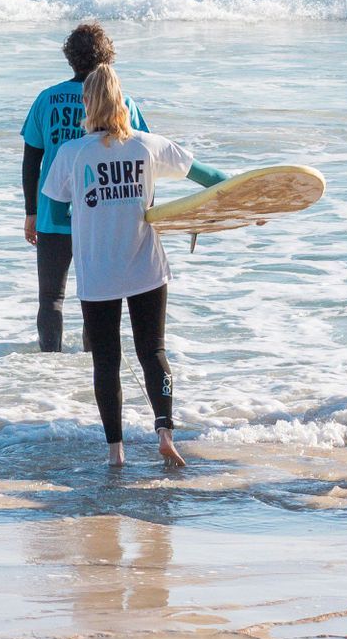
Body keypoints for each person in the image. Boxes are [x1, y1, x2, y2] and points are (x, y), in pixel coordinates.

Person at [41, 64, 225, 469]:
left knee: (106, 360)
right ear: (123, 102)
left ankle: (115, 452)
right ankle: (165, 433)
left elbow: (54, 209)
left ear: (87, 104)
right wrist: (249, 203)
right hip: (145, 265)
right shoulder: (147, 145)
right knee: (153, 351)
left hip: (98, 270)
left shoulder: (71, 154)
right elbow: (210, 177)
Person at [22, 21, 146, 351]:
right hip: (105, 210)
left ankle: (50, 364)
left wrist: (31, 212)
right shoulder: (123, 103)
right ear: (106, 58)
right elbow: (140, 159)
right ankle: (97, 360)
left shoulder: (46, 99)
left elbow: (31, 159)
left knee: (50, 298)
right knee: (99, 294)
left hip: (52, 212)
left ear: (70, 57)